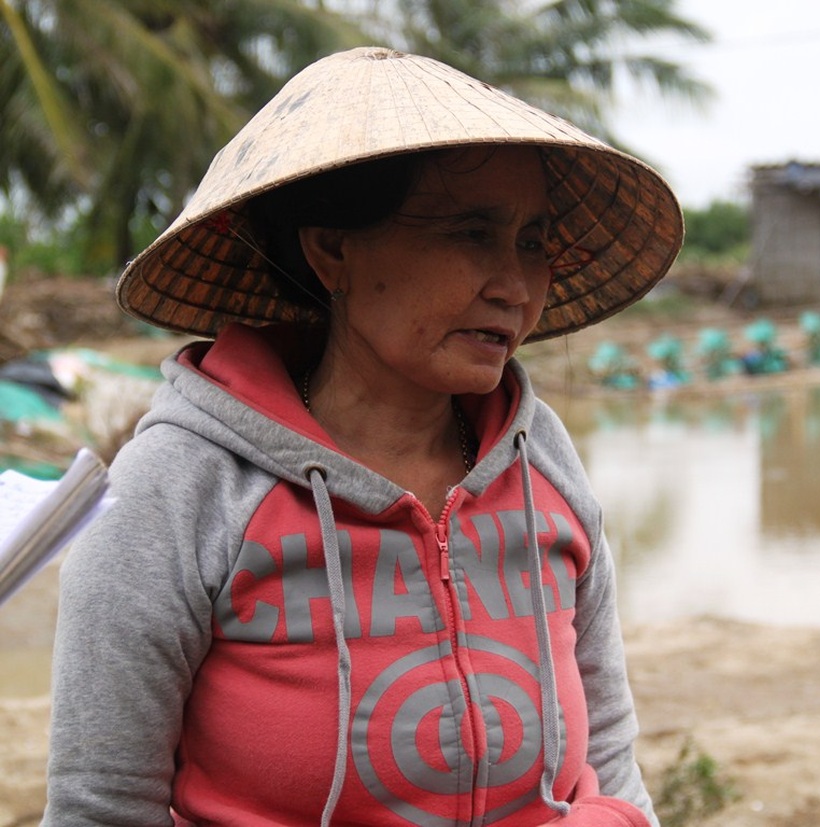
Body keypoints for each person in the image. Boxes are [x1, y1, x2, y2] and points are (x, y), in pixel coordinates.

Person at [42, 46, 682, 827]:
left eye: (534, 241)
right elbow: (100, 807)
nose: (516, 286)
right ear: (334, 249)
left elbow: (610, 761)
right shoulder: (184, 485)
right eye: (472, 232)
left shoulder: (539, 455)